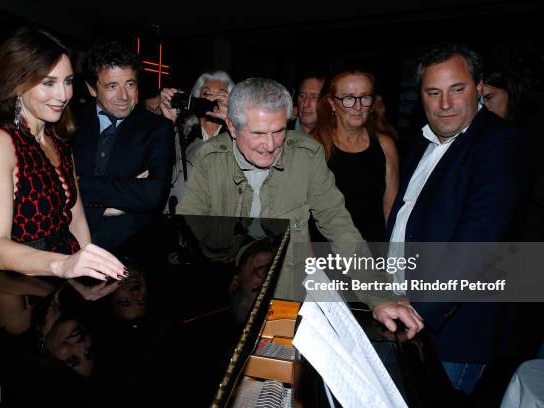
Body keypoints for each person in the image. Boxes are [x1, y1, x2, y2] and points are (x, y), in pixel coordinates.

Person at [178, 77, 424, 339]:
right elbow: (190, 238)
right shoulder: (209, 159)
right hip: (224, 308)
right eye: (259, 133)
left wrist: (380, 297)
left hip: (291, 302)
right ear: (232, 126)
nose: (271, 145)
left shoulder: (307, 156)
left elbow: (341, 230)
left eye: (279, 131)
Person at [386, 43, 526, 397]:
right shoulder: (421, 141)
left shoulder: (499, 142)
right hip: (402, 311)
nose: (444, 103)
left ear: (479, 88)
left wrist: (420, 307)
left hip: (451, 331)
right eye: (433, 92)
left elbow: (479, 239)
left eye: (456, 89)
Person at [0, 28, 126, 281]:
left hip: (68, 282)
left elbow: (77, 222)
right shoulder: (0, 142)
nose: (63, 95)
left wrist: (90, 272)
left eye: (67, 82)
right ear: (17, 84)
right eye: (49, 82)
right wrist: (63, 265)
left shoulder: (58, 142)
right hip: (27, 286)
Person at [73, 41, 174, 250]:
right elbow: (53, 192)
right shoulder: (69, 123)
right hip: (68, 244)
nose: (124, 96)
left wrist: (79, 184)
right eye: (112, 86)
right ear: (92, 89)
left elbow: (153, 193)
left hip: (130, 250)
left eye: (130, 84)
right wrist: (105, 207)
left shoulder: (156, 128)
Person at [312, 69, 399, 242]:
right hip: (323, 258)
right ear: (331, 103)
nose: (358, 107)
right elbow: (299, 214)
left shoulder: (385, 145)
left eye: (365, 97)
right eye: (348, 98)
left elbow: (391, 211)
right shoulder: (314, 147)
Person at [160, 70, 234, 209]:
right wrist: (168, 123)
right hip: (181, 214)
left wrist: (233, 120)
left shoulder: (237, 137)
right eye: (206, 94)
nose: (211, 100)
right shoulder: (182, 134)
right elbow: (164, 173)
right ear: (195, 98)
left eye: (221, 95)